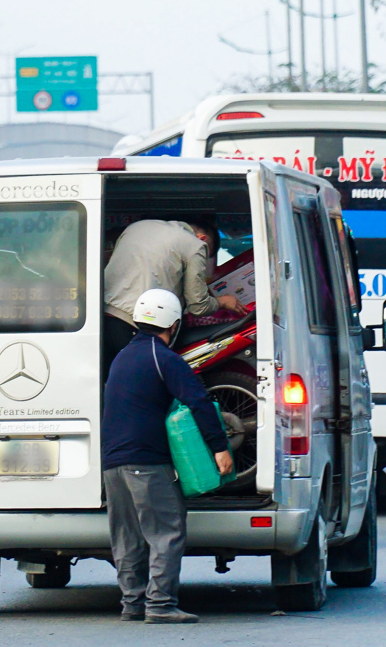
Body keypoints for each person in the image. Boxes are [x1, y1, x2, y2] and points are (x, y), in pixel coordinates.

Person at [101, 289, 233, 623]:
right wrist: (219, 448)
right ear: (173, 325)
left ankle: (132, 603)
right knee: (166, 530)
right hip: (146, 462)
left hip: (113, 464)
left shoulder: (122, 357)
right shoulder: (164, 358)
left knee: (127, 535)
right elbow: (198, 402)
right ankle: (159, 604)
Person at [102, 219, 247, 372]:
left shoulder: (137, 227)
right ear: (202, 239)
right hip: (137, 325)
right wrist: (223, 302)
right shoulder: (195, 244)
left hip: (105, 319)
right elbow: (198, 306)